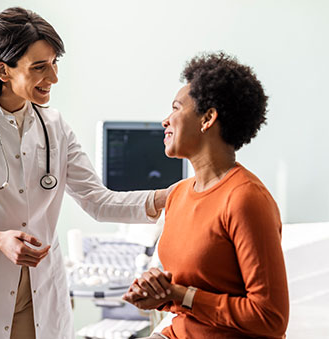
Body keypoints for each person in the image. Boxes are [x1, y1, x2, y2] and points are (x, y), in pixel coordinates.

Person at [0, 7, 170, 339]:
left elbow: (98, 201)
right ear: (3, 71)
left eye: (54, 63)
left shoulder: (54, 127)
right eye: (39, 67)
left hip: (40, 302)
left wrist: (174, 197)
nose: (54, 77)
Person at [122, 52, 290, 339]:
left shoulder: (245, 199)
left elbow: (270, 317)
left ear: (208, 118)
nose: (166, 120)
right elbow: (194, 286)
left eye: (176, 108)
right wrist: (159, 292)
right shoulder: (179, 194)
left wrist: (181, 295)